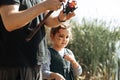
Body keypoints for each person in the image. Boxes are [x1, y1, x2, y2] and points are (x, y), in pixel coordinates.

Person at [0, 0, 75, 80]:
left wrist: (60, 18)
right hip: (14, 63)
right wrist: (45, 5)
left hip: (36, 63)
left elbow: (47, 20)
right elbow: (10, 21)